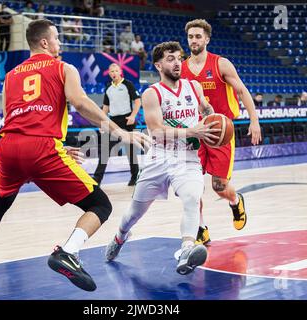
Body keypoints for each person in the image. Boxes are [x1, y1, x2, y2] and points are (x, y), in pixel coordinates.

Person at [0, 19, 150, 292]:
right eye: (57, 38)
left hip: (10, 146)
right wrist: (123, 133)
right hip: (41, 148)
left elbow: (9, 117)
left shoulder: (10, 76)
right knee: (100, 205)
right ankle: (69, 252)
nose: (60, 44)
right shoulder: (63, 68)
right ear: (45, 42)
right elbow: (82, 103)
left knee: (1, 202)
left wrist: (56, 147)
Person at [105, 41, 219, 275]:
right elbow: (156, 130)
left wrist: (214, 121)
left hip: (188, 158)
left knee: (192, 198)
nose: (177, 62)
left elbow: (207, 110)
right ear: (158, 65)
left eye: (179, 58)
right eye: (170, 58)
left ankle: (187, 248)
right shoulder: (151, 93)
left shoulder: (194, 87)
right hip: (159, 158)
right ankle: (120, 236)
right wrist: (191, 131)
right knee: (134, 213)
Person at [181, 19, 261, 245]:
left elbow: (243, 92)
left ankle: (235, 201)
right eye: (190, 37)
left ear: (206, 39)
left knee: (219, 186)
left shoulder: (220, 64)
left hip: (220, 131)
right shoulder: (182, 68)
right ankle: (201, 228)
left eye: (198, 36)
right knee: (191, 186)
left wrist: (254, 120)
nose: (194, 40)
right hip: (195, 132)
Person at [93, 63, 141, 186]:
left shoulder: (128, 84)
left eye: (116, 71)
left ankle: (135, 177)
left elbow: (137, 101)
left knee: (130, 152)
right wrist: (102, 123)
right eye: (111, 71)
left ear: (120, 72)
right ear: (109, 74)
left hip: (127, 121)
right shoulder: (108, 87)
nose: (114, 73)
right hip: (113, 122)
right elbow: (105, 107)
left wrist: (133, 116)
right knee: (105, 150)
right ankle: (97, 179)